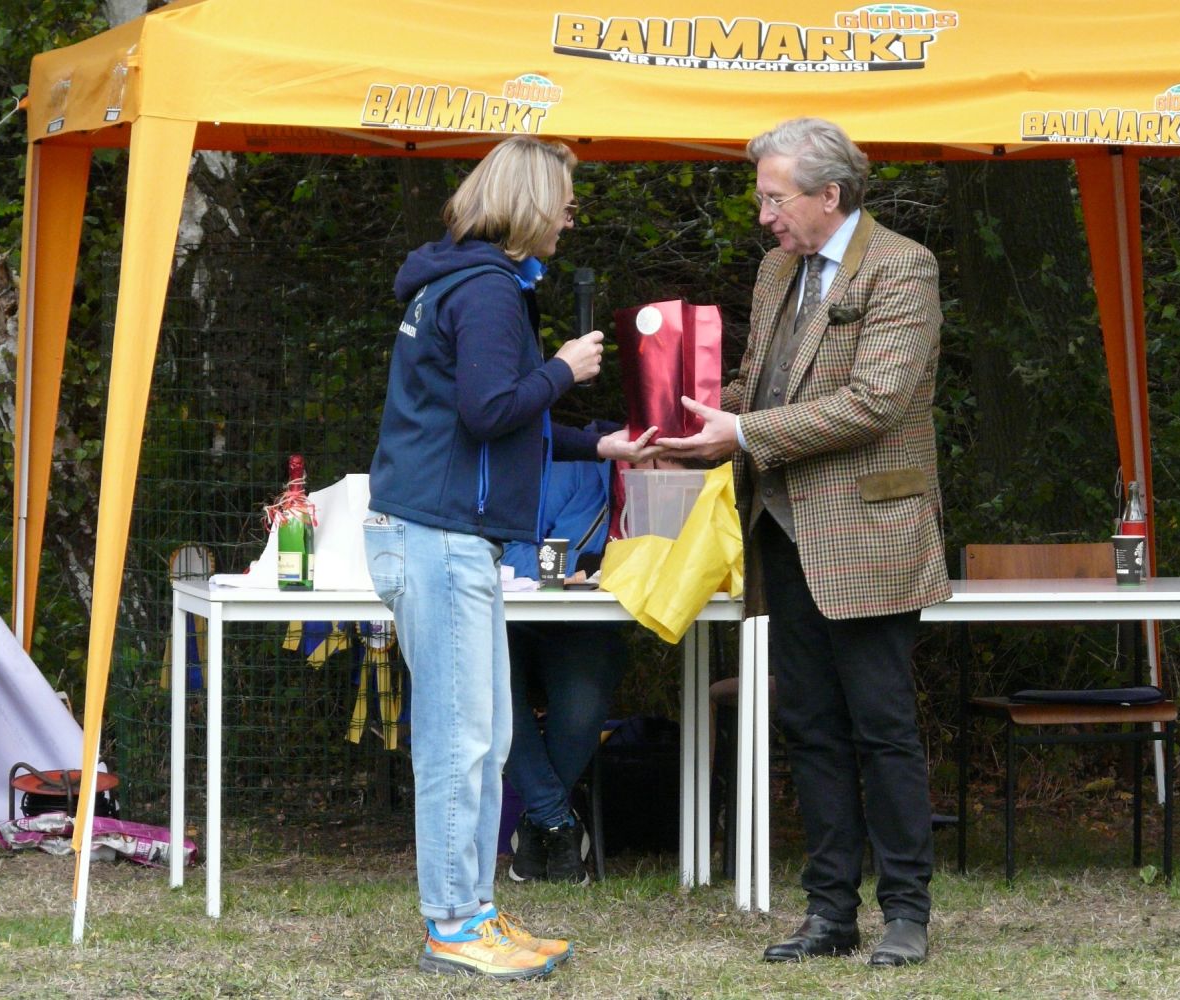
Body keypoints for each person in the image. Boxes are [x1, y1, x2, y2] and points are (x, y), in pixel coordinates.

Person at [363, 135, 660, 981]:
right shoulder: (488, 288)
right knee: (461, 744)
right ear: (529, 202)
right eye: (564, 201)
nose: (570, 216)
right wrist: (563, 369)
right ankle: (455, 925)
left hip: (442, 531)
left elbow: (492, 417)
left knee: (483, 736)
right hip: (439, 535)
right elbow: (491, 409)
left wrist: (599, 443)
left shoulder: (463, 279)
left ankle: (472, 911)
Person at [657, 117, 951, 968]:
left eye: (774, 199)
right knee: (809, 726)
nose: (763, 217)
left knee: (881, 728)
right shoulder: (776, 270)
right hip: (779, 532)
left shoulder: (902, 266)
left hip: (868, 534)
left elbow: (874, 404)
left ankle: (906, 914)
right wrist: (685, 424)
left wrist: (743, 432)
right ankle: (829, 915)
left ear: (830, 194)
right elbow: (759, 386)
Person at [501, 451, 628, 885]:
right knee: (487, 691)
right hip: (508, 618)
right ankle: (558, 821)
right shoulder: (575, 466)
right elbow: (508, 547)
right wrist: (575, 566)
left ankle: (538, 825)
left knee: (581, 707)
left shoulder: (676, 489)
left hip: (587, 623)